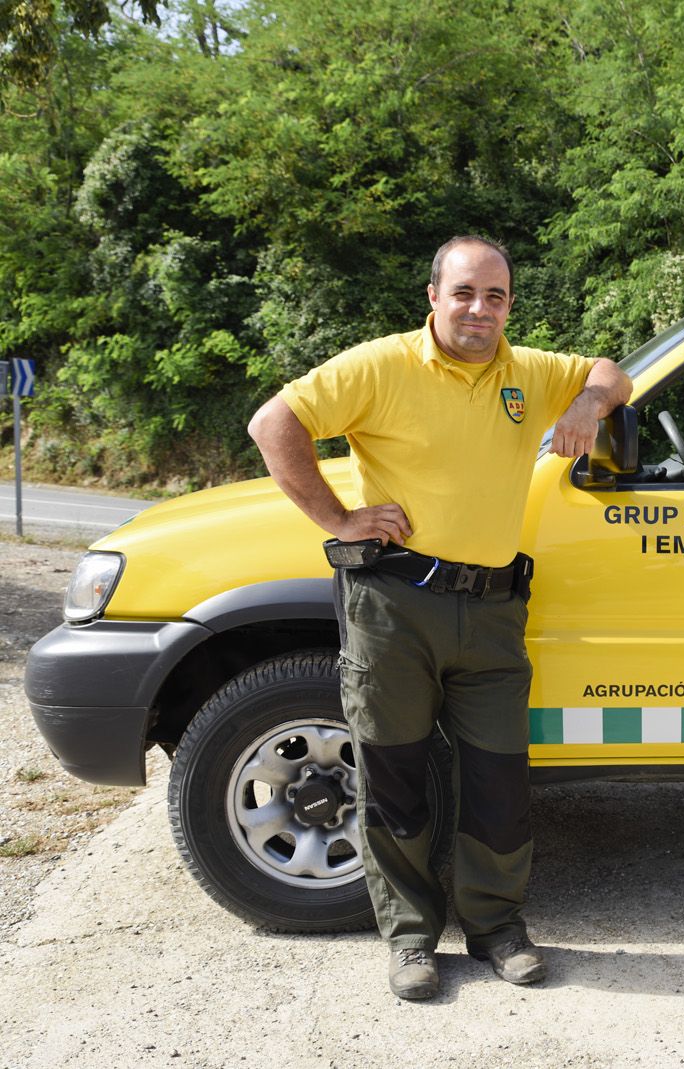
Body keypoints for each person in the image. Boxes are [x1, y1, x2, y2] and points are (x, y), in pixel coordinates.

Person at [248, 235, 631, 1000]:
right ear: (433, 297)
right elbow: (272, 423)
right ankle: (412, 939)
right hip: (394, 606)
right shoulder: (380, 365)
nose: (479, 309)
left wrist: (589, 400)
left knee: (498, 779)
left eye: (495, 296)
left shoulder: (529, 370)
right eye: (464, 293)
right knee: (394, 777)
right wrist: (338, 515)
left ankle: (497, 928)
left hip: (491, 611)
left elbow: (613, 373)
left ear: (509, 306)